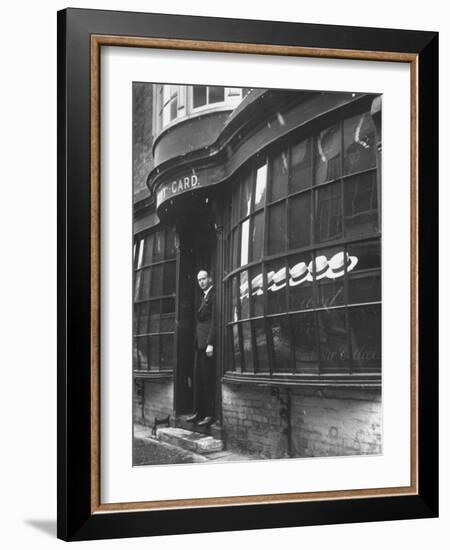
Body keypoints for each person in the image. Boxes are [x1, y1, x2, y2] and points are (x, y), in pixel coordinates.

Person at [185, 269, 216, 427]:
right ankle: (198, 412)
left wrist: (210, 343)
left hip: (207, 345)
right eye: (199, 280)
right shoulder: (202, 297)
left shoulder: (214, 295)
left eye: (204, 278)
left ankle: (210, 414)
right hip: (199, 343)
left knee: (207, 379)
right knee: (198, 378)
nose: (202, 282)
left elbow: (214, 321)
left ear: (210, 279)